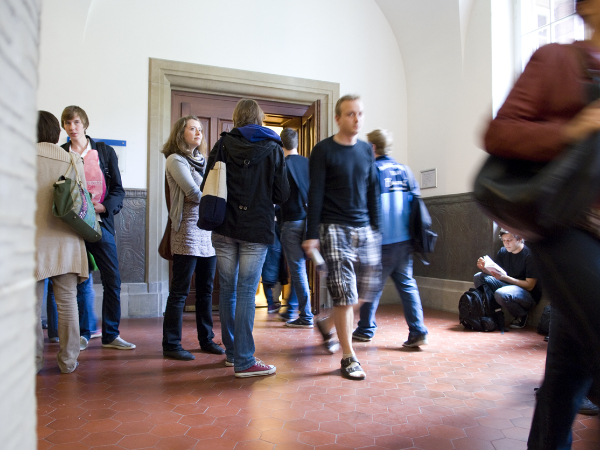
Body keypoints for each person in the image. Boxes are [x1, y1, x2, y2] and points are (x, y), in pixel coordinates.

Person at [484, 1, 600, 446]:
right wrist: (571, 131)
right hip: (569, 229)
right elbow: (500, 134)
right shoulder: (556, 60)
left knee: (566, 376)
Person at [200, 98, 289, 377]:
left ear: (236, 118)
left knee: (227, 290)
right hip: (256, 229)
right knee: (247, 292)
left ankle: (231, 352)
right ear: (259, 119)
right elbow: (282, 193)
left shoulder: (223, 144)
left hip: (224, 226)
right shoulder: (274, 148)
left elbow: (207, 184)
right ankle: (245, 360)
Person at [303, 94, 381, 380]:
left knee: (367, 291)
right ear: (338, 118)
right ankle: (349, 357)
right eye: (350, 114)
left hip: (365, 230)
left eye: (360, 114)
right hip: (334, 228)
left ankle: (328, 326)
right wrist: (312, 234)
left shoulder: (365, 151)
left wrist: (376, 228)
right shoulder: (323, 150)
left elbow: (373, 190)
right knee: (344, 294)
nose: (356, 119)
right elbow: (315, 194)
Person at [61, 106, 135, 350]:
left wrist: (103, 207)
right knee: (80, 280)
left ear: (85, 124)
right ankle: (83, 334)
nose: (72, 127)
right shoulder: (60, 154)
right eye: (67, 123)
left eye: (76, 122)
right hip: (71, 227)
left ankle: (111, 334)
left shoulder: (104, 151)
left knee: (112, 279)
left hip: (101, 223)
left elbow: (118, 190)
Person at [352, 129, 428, 347]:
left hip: (380, 241)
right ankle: (418, 330)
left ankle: (365, 328)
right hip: (405, 240)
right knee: (407, 285)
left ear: (373, 148)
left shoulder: (372, 170)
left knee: (370, 285)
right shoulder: (405, 171)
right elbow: (416, 203)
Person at [161, 115, 224, 361]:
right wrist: (208, 196)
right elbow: (193, 193)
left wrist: (206, 196)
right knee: (180, 291)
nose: (198, 132)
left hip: (207, 233)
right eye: (192, 128)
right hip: (186, 231)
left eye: (200, 129)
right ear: (181, 132)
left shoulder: (204, 161)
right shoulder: (175, 160)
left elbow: (207, 193)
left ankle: (206, 339)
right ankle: (171, 344)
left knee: (206, 290)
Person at [35, 111, 89, 373]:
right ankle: (68, 361)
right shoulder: (72, 158)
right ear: (57, 132)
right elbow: (82, 202)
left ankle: (32, 361)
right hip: (66, 241)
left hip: (29, 243)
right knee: (67, 302)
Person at [279, 128, 314, 328]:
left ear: (280, 144)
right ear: (297, 143)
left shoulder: (280, 165)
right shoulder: (308, 163)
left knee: (297, 270)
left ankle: (306, 315)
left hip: (291, 222)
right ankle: (292, 307)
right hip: (308, 222)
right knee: (300, 268)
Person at [474, 230, 541, 329]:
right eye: (504, 240)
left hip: (526, 294)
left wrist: (506, 278)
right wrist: (484, 268)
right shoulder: (503, 251)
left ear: (520, 239)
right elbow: (496, 273)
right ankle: (492, 312)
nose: (506, 243)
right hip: (506, 285)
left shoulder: (529, 255)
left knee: (501, 293)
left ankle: (521, 314)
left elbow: (530, 286)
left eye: (509, 240)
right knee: (478, 276)